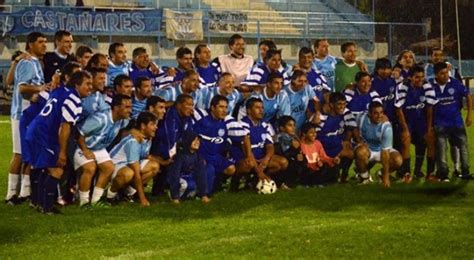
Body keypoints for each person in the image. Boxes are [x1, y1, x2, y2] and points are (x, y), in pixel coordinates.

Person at [26, 71, 92, 214]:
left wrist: (55, 78)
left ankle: (38, 203)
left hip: (35, 130)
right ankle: (47, 207)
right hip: (44, 134)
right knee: (57, 168)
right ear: (76, 84)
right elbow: (65, 126)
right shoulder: (74, 99)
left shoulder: (61, 90)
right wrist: (62, 152)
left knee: (45, 167)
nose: (90, 87)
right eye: (87, 84)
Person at [6, 32, 48, 205]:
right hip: (21, 114)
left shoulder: (35, 62)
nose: (44, 45)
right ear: (30, 44)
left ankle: (25, 192)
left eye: (45, 42)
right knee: (19, 154)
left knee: (29, 153)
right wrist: (42, 88)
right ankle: (10, 194)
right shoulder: (28, 62)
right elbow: (22, 88)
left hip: (31, 114)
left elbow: (11, 82)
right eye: (40, 42)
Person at [74, 94, 131, 207]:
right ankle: (84, 202)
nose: (130, 110)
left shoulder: (123, 121)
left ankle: (96, 201)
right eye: (126, 107)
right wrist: (85, 150)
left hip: (98, 148)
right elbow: (79, 133)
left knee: (109, 167)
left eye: (130, 107)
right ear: (115, 107)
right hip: (81, 145)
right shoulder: (100, 119)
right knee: (90, 168)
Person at [231, 98, 288, 191]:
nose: (261, 110)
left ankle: (256, 181)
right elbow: (247, 151)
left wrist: (266, 159)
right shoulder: (242, 124)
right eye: (257, 108)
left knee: (282, 162)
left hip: (260, 158)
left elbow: (270, 146)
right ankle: (235, 182)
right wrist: (259, 171)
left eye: (262, 108)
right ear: (249, 110)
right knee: (248, 164)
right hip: (245, 158)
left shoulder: (265, 125)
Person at [429, 62, 473, 181]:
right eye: (442, 73)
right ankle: (443, 174)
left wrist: (470, 114)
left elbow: (468, 95)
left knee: (463, 146)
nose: (445, 75)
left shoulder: (455, 83)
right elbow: (429, 107)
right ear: (436, 75)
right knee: (442, 149)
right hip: (440, 124)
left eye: (446, 72)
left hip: (456, 122)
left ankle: (465, 171)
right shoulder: (430, 86)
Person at [395, 65, 437, 182]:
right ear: (410, 78)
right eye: (417, 77)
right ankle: (407, 172)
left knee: (431, 139)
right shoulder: (402, 87)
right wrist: (405, 128)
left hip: (421, 121)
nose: (420, 80)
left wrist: (429, 129)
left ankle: (430, 173)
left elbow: (429, 108)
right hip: (408, 121)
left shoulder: (427, 87)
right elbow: (398, 109)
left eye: (422, 77)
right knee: (405, 139)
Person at [108, 112, 160, 206]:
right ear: (143, 126)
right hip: (114, 167)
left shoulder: (147, 138)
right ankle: (110, 196)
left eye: (156, 124)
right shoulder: (133, 141)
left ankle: (126, 194)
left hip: (127, 166)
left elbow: (145, 156)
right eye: (152, 124)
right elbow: (136, 172)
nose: (155, 127)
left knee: (154, 166)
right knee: (130, 173)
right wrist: (143, 199)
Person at [194, 95, 244, 194]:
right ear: (212, 108)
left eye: (226, 107)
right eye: (221, 107)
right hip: (203, 157)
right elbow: (192, 140)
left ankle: (217, 184)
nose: (224, 110)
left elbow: (222, 142)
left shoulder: (223, 124)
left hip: (216, 157)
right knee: (209, 170)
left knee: (231, 168)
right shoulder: (203, 123)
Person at [149, 94, 194, 195]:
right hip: (158, 148)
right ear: (178, 105)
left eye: (192, 105)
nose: (191, 108)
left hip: (171, 148)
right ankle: (163, 186)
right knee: (170, 158)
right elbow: (168, 139)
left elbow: (190, 136)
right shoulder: (170, 116)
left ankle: (166, 186)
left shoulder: (187, 117)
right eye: (188, 105)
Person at [354, 102, 403, 187]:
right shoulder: (361, 118)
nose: (379, 116)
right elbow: (354, 127)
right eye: (375, 113)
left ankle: (381, 174)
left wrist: (386, 176)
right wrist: (358, 141)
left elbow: (385, 152)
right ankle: (364, 177)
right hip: (367, 149)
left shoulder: (386, 126)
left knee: (398, 160)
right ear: (369, 114)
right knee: (360, 151)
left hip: (381, 150)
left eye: (381, 112)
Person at [316, 92, 356, 183]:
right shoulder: (321, 118)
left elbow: (351, 128)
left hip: (337, 147)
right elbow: (317, 139)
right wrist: (338, 142)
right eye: (339, 104)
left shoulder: (344, 116)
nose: (342, 107)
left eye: (344, 104)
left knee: (353, 150)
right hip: (324, 150)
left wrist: (345, 143)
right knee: (349, 153)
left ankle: (343, 175)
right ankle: (338, 174)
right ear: (331, 105)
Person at [167, 131, 210, 203]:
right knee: (187, 184)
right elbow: (174, 175)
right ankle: (174, 196)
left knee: (198, 180)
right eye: (194, 140)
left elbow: (201, 174)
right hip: (178, 179)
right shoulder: (179, 156)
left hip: (189, 177)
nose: (197, 142)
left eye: (198, 140)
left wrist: (204, 195)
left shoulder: (198, 156)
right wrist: (175, 197)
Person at [274, 116, 305, 188]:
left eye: (294, 125)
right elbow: (282, 155)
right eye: (290, 125)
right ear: (282, 128)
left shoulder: (292, 137)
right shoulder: (280, 138)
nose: (293, 127)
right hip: (279, 166)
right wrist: (294, 150)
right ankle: (282, 183)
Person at [371, 58, 397, 123]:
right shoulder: (371, 82)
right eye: (382, 69)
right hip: (377, 118)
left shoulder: (392, 81)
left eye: (388, 68)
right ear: (377, 69)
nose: (385, 71)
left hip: (392, 118)